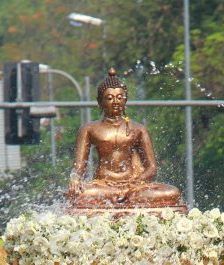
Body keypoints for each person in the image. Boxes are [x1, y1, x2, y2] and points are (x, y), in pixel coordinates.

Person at [67, 69, 182, 208]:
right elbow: (79, 166)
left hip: (133, 185)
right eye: (109, 98)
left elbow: (151, 168)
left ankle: (127, 197)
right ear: (99, 102)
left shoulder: (138, 129)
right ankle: (123, 198)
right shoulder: (89, 129)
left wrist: (134, 183)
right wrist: (75, 179)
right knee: (78, 194)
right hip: (103, 185)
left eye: (119, 98)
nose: (115, 102)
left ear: (125, 100)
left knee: (172, 192)